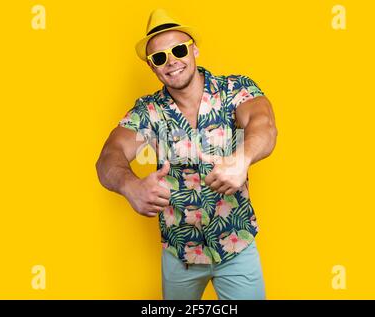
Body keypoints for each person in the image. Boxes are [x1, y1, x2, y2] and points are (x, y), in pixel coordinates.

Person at [96, 8, 278, 300]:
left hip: (236, 247)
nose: (171, 62)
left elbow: (264, 124)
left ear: (194, 50)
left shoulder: (234, 90)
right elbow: (110, 154)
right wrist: (129, 185)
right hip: (179, 254)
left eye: (178, 50)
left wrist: (241, 158)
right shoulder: (148, 111)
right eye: (159, 57)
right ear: (152, 67)